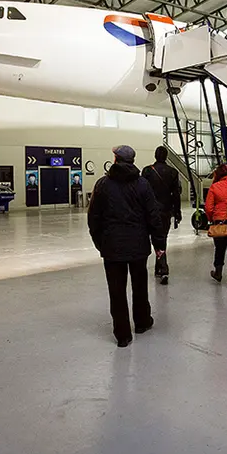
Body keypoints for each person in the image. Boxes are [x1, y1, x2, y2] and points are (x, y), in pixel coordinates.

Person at [88, 145, 168, 347]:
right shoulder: (142, 184)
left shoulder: (103, 185)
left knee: (116, 291)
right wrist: (158, 243)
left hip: (112, 247)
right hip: (138, 247)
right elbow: (153, 216)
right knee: (140, 286)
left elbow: (94, 218)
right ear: (132, 161)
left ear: (115, 159)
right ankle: (142, 322)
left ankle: (122, 334)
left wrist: (101, 243)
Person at [142, 146, 182, 285]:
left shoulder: (147, 171)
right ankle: (162, 268)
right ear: (166, 156)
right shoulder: (173, 172)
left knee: (152, 239)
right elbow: (176, 194)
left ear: (155, 155)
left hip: (149, 211)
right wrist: (177, 212)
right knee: (161, 238)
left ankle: (161, 268)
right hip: (165, 211)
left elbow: (141, 192)